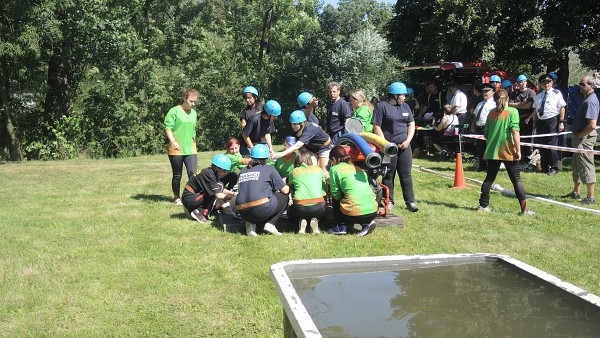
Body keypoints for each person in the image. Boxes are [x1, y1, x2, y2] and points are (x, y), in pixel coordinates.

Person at [477, 89, 534, 215]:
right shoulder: (513, 111)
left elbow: (486, 133)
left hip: (492, 150)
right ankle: (524, 210)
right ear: (508, 99)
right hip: (509, 150)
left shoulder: (491, 113)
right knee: (516, 180)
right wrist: (518, 150)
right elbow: (515, 131)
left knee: (489, 178)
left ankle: (483, 206)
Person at [372, 82, 418, 212]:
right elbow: (377, 126)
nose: (405, 97)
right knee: (388, 174)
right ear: (395, 95)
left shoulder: (406, 107)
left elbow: (411, 124)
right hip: (389, 148)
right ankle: (388, 201)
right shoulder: (382, 106)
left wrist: (408, 140)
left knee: (406, 174)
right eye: (403, 95)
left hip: (404, 146)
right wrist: (385, 144)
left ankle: (411, 202)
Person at [235, 144, 289, 236]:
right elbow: (285, 190)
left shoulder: (243, 170)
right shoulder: (270, 169)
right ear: (266, 158)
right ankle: (270, 223)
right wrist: (289, 184)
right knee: (284, 196)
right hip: (260, 208)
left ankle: (250, 223)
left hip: (241, 210)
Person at [562, 75, 599, 205]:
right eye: (580, 84)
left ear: (591, 86)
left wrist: (580, 135)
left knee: (586, 166)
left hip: (584, 138)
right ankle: (576, 191)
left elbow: (592, 125)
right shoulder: (586, 99)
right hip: (579, 137)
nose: (580, 87)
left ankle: (590, 197)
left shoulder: (591, 101)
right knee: (577, 165)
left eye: (583, 84)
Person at [327, 146, 377, 236]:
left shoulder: (334, 169)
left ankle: (342, 226)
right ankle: (366, 224)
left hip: (353, 215)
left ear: (333, 159)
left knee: (336, 198)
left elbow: (335, 194)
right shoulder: (358, 168)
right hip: (373, 211)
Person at [164, 88, 200, 206]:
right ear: (184, 98)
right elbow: (168, 127)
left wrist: (194, 144)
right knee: (177, 174)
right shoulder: (174, 111)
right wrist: (173, 141)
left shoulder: (194, 113)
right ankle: (176, 197)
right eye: (191, 101)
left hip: (190, 148)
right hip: (176, 148)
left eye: (195, 102)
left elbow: (193, 130)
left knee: (193, 172)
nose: (193, 104)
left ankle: (192, 196)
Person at [526, 74, 566, 175]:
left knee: (551, 144)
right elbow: (536, 110)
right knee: (541, 144)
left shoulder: (557, 93)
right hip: (541, 121)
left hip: (552, 120)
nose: (547, 84)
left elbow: (562, 107)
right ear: (541, 84)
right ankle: (544, 166)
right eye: (544, 83)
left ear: (552, 83)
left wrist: (561, 122)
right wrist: (534, 123)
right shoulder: (538, 95)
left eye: (548, 82)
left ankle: (554, 167)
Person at [273, 110, 332, 178]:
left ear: (302, 123)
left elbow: (298, 145)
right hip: (311, 148)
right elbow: (295, 144)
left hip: (324, 148)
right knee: (311, 170)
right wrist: (287, 149)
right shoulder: (297, 129)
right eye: (292, 124)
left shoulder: (310, 129)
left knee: (324, 172)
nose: (292, 126)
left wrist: (281, 154)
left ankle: (327, 187)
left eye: (295, 124)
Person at [182, 154, 236, 223]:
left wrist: (233, 193)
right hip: (189, 199)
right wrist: (236, 197)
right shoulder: (209, 175)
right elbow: (219, 195)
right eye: (224, 170)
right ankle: (200, 213)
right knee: (219, 186)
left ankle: (198, 210)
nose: (225, 173)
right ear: (217, 168)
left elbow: (220, 189)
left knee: (220, 186)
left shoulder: (210, 172)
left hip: (192, 197)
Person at [287, 152, 327, 234]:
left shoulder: (293, 172)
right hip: (318, 206)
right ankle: (315, 220)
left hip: (299, 207)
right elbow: (324, 189)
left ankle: (301, 220)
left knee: (290, 212)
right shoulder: (319, 169)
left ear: (297, 161)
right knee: (325, 211)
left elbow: (292, 189)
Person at [508, 74, 536, 162]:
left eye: (524, 81)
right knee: (516, 138)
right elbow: (509, 104)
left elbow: (529, 106)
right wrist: (521, 103)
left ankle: (526, 158)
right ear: (517, 84)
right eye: (521, 82)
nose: (523, 83)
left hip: (527, 119)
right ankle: (517, 156)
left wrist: (517, 105)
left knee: (526, 138)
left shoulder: (531, 92)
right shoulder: (514, 93)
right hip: (516, 119)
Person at [470, 83, 497, 171]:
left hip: (488, 128)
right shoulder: (480, 103)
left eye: (487, 91)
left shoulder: (494, 104)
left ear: (492, 92)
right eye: (483, 91)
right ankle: (482, 167)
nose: (485, 93)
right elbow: (475, 115)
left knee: (488, 148)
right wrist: (473, 125)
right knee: (480, 148)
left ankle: (490, 167)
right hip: (479, 128)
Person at [239, 86, 264, 156]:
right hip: (249, 143)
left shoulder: (262, 107)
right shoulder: (245, 112)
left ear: (255, 97)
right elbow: (244, 126)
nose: (247, 100)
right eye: (246, 98)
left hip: (262, 141)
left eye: (249, 98)